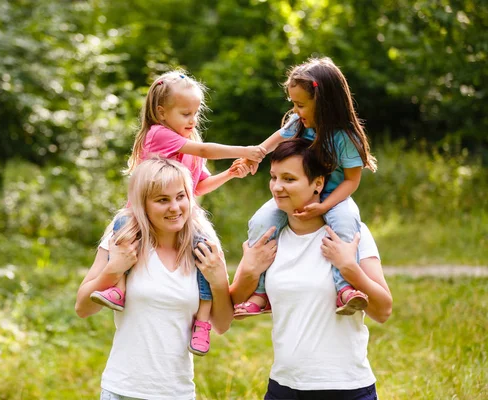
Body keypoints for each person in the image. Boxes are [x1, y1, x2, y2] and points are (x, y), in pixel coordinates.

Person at [90, 70, 257, 355]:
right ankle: (117, 288)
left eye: (195, 113)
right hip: (144, 213)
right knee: (121, 227)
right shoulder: (160, 134)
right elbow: (205, 150)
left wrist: (229, 174)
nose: (192, 120)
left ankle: (202, 321)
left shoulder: (188, 140)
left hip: (183, 214)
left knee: (205, 247)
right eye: (185, 113)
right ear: (161, 112)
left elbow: (199, 185)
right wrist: (247, 150)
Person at [230, 139, 392, 399]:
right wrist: (250, 271)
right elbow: (228, 311)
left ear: (318, 183)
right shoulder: (267, 240)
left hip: (346, 389)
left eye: (289, 179)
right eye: (273, 177)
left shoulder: (351, 236)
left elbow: (383, 311)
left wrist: (349, 268)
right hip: (283, 388)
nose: (277, 187)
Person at [76, 157, 234, 400]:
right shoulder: (124, 240)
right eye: (162, 200)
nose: (174, 207)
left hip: (177, 393)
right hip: (122, 390)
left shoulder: (203, 249)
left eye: (180, 196)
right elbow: (83, 307)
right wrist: (113, 269)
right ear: (143, 204)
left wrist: (219, 281)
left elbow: (222, 325)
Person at [233, 57, 378, 318]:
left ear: (323, 104)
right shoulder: (298, 124)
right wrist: (252, 156)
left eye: (301, 104)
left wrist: (324, 206)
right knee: (260, 222)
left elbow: (351, 181)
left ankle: (344, 289)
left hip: (334, 196)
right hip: (299, 194)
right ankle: (261, 292)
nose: (296, 111)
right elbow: (272, 142)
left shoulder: (345, 137)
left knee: (345, 224)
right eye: (294, 104)